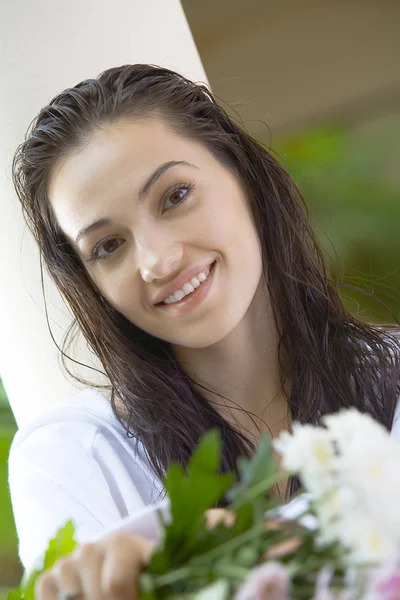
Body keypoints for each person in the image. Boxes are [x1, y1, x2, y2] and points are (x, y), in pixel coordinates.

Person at [9, 63, 400, 599]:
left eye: (175, 196)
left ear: (242, 175)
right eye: (108, 246)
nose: (157, 261)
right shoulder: (78, 457)